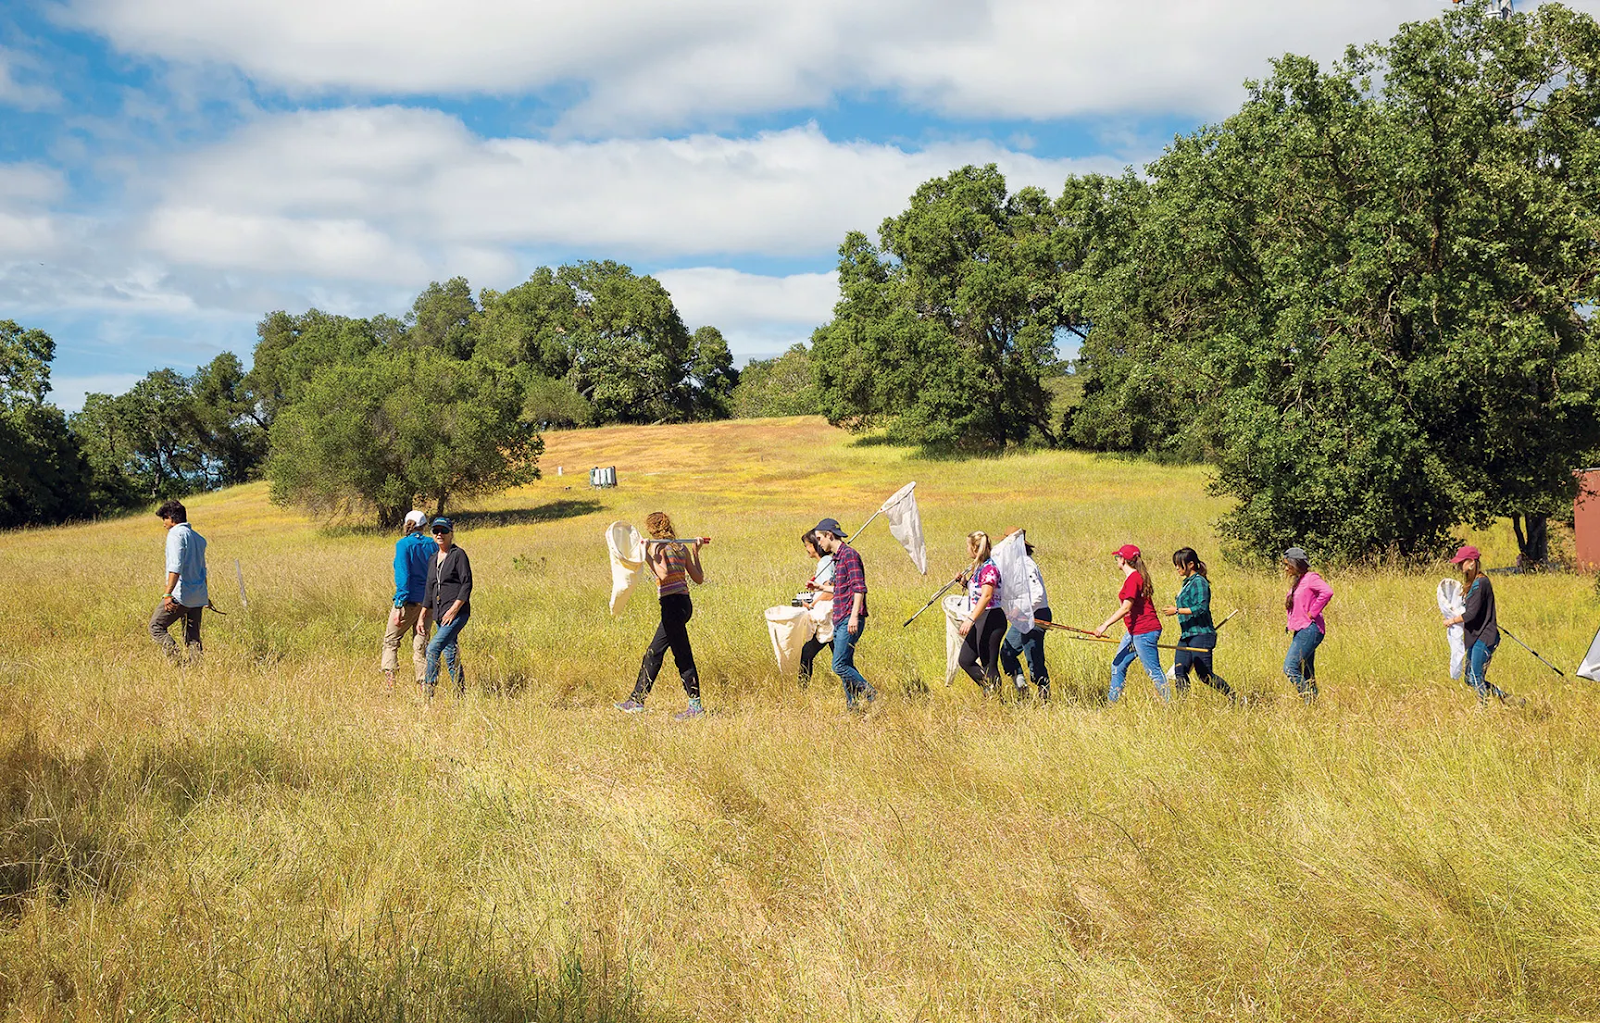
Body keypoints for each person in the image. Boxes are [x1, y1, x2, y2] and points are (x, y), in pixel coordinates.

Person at [616, 512, 708, 719]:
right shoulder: (680, 547)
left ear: (651, 528)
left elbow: (663, 574)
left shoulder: (657, 546)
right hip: (684, 604)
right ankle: (637, 700)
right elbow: (698, 578)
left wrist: (645, 553)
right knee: (654, 652)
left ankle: (695, 707)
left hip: (672, 605)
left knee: (681, 656)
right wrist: (695, 552)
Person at [811, 518, 877, 711]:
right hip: (839, 617)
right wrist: (820, 587)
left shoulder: (849, 556)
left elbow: (859, 588)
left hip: (849, 617)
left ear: (829, 535)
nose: (819, 543)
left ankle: (871, 694)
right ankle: (853, 708)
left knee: (838, 665)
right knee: (846, 663)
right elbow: (841, 589)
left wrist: (855, 616)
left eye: (820, 538)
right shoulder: (838, 558)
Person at [1093, 544, 1169, 703]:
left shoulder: (1134, 579)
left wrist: (1104, 625)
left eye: (1117, 558)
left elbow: (1126, 607)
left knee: (1153, 671)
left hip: (1144, 631)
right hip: (1135, 631)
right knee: (1118, 666)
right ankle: (1111, 705)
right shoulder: (1135, 577)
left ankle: (1170, 705)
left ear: (1123, 560)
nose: (1116, 561)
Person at [1441, 544, 1515, 705]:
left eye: (1462, 562)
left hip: (1484, 636)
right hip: (1476, 636)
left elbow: (1471, 614)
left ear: (1472, 562)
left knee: (1475, 676)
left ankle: (1483, 709)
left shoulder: (1480, 583)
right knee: (1470, 678)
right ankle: (1508, 699)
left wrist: (1451, 621)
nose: (1459, 565)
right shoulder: (1474, 583)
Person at [1162, 547, 1233, 700]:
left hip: (1201, 634)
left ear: (1191, 564)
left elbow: (1202, 608)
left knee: (1205, 675)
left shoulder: (1200, 583)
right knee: (1180, 672)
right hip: (1187, 634)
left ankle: (1234, 697)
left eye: (1179, 564)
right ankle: (1181, 706)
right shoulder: (1186, 583)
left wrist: (1177, 610)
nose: (1176, 568)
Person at [382, 510, 436, 693]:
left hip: (409, 601)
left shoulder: (403, 544)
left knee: (391, 641)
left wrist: (399, 605)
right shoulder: (432, 544)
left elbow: (403, 575)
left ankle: (390, 685)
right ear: (424, 526)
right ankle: (424, 686)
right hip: (428, 603)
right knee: (421, 645)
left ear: (407, 524)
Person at [149, 499, 208, 664]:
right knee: (192, 635)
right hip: (198, 594)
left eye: (164, 519)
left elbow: (175, 566)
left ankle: (178, 663)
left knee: (156, 627)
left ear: (171, 518)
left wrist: (168, 593)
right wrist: (205, 595)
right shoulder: (198, 538)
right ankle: (197, 668)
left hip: (181, 593)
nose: (164, 524)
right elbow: (203, 570)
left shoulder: (175, 534)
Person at [422, 517, 472, 698]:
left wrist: (454, 609)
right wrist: (422, 615)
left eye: (443, 530)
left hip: (456, 614)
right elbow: (429, 589)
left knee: (433, 648)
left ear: (451, 533)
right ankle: (461, 695)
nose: (439, 534)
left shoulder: (458, 555)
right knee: (450, 655)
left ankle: (428, 693)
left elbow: (467, 584)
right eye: (436, 531)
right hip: (440, 614)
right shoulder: (433, 558)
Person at [998, 534, 1052, 702]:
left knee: (1034, 659)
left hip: (1036, 616)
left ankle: (1045, 697)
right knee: (1007, 653)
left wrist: (1016, 609)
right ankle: (1022, 691)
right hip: (1023, 617)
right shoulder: (1014, 566)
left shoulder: (1027, 566)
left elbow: (1037, 595)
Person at [956, 531, 1008, 695]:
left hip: (990, 617)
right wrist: (964, 583)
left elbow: (987, 596)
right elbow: (979, 591)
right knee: (965, 659)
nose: (967, 550)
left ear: (974, 548)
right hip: (981, 617)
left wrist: (970, 619)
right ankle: (990, 690)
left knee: (989, 663)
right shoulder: (980, 567)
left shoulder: (990, 568)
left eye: (967, 546)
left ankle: (997, 699)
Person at [1282, 546, 1332, 701]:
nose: (1285, 569)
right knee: (1306, 670)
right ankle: (1314, 704)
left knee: (1290, 667)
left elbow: (1327, 592)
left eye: (1287, 565)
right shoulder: (1299, 580)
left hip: (1310, 629)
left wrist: (1313, 612)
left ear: (1295, 563)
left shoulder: (1311, 578)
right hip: (1301, 629)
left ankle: (1308, 699)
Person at [796, 529, 835, 688]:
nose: (806, 548)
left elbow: (829, 592)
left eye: (807, 545)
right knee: (840, 660)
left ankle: (802, 691)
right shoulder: (826, 562)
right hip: (830, 617)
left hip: (828, 618)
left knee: (806, 654)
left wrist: (811, 605)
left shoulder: (825, 563)